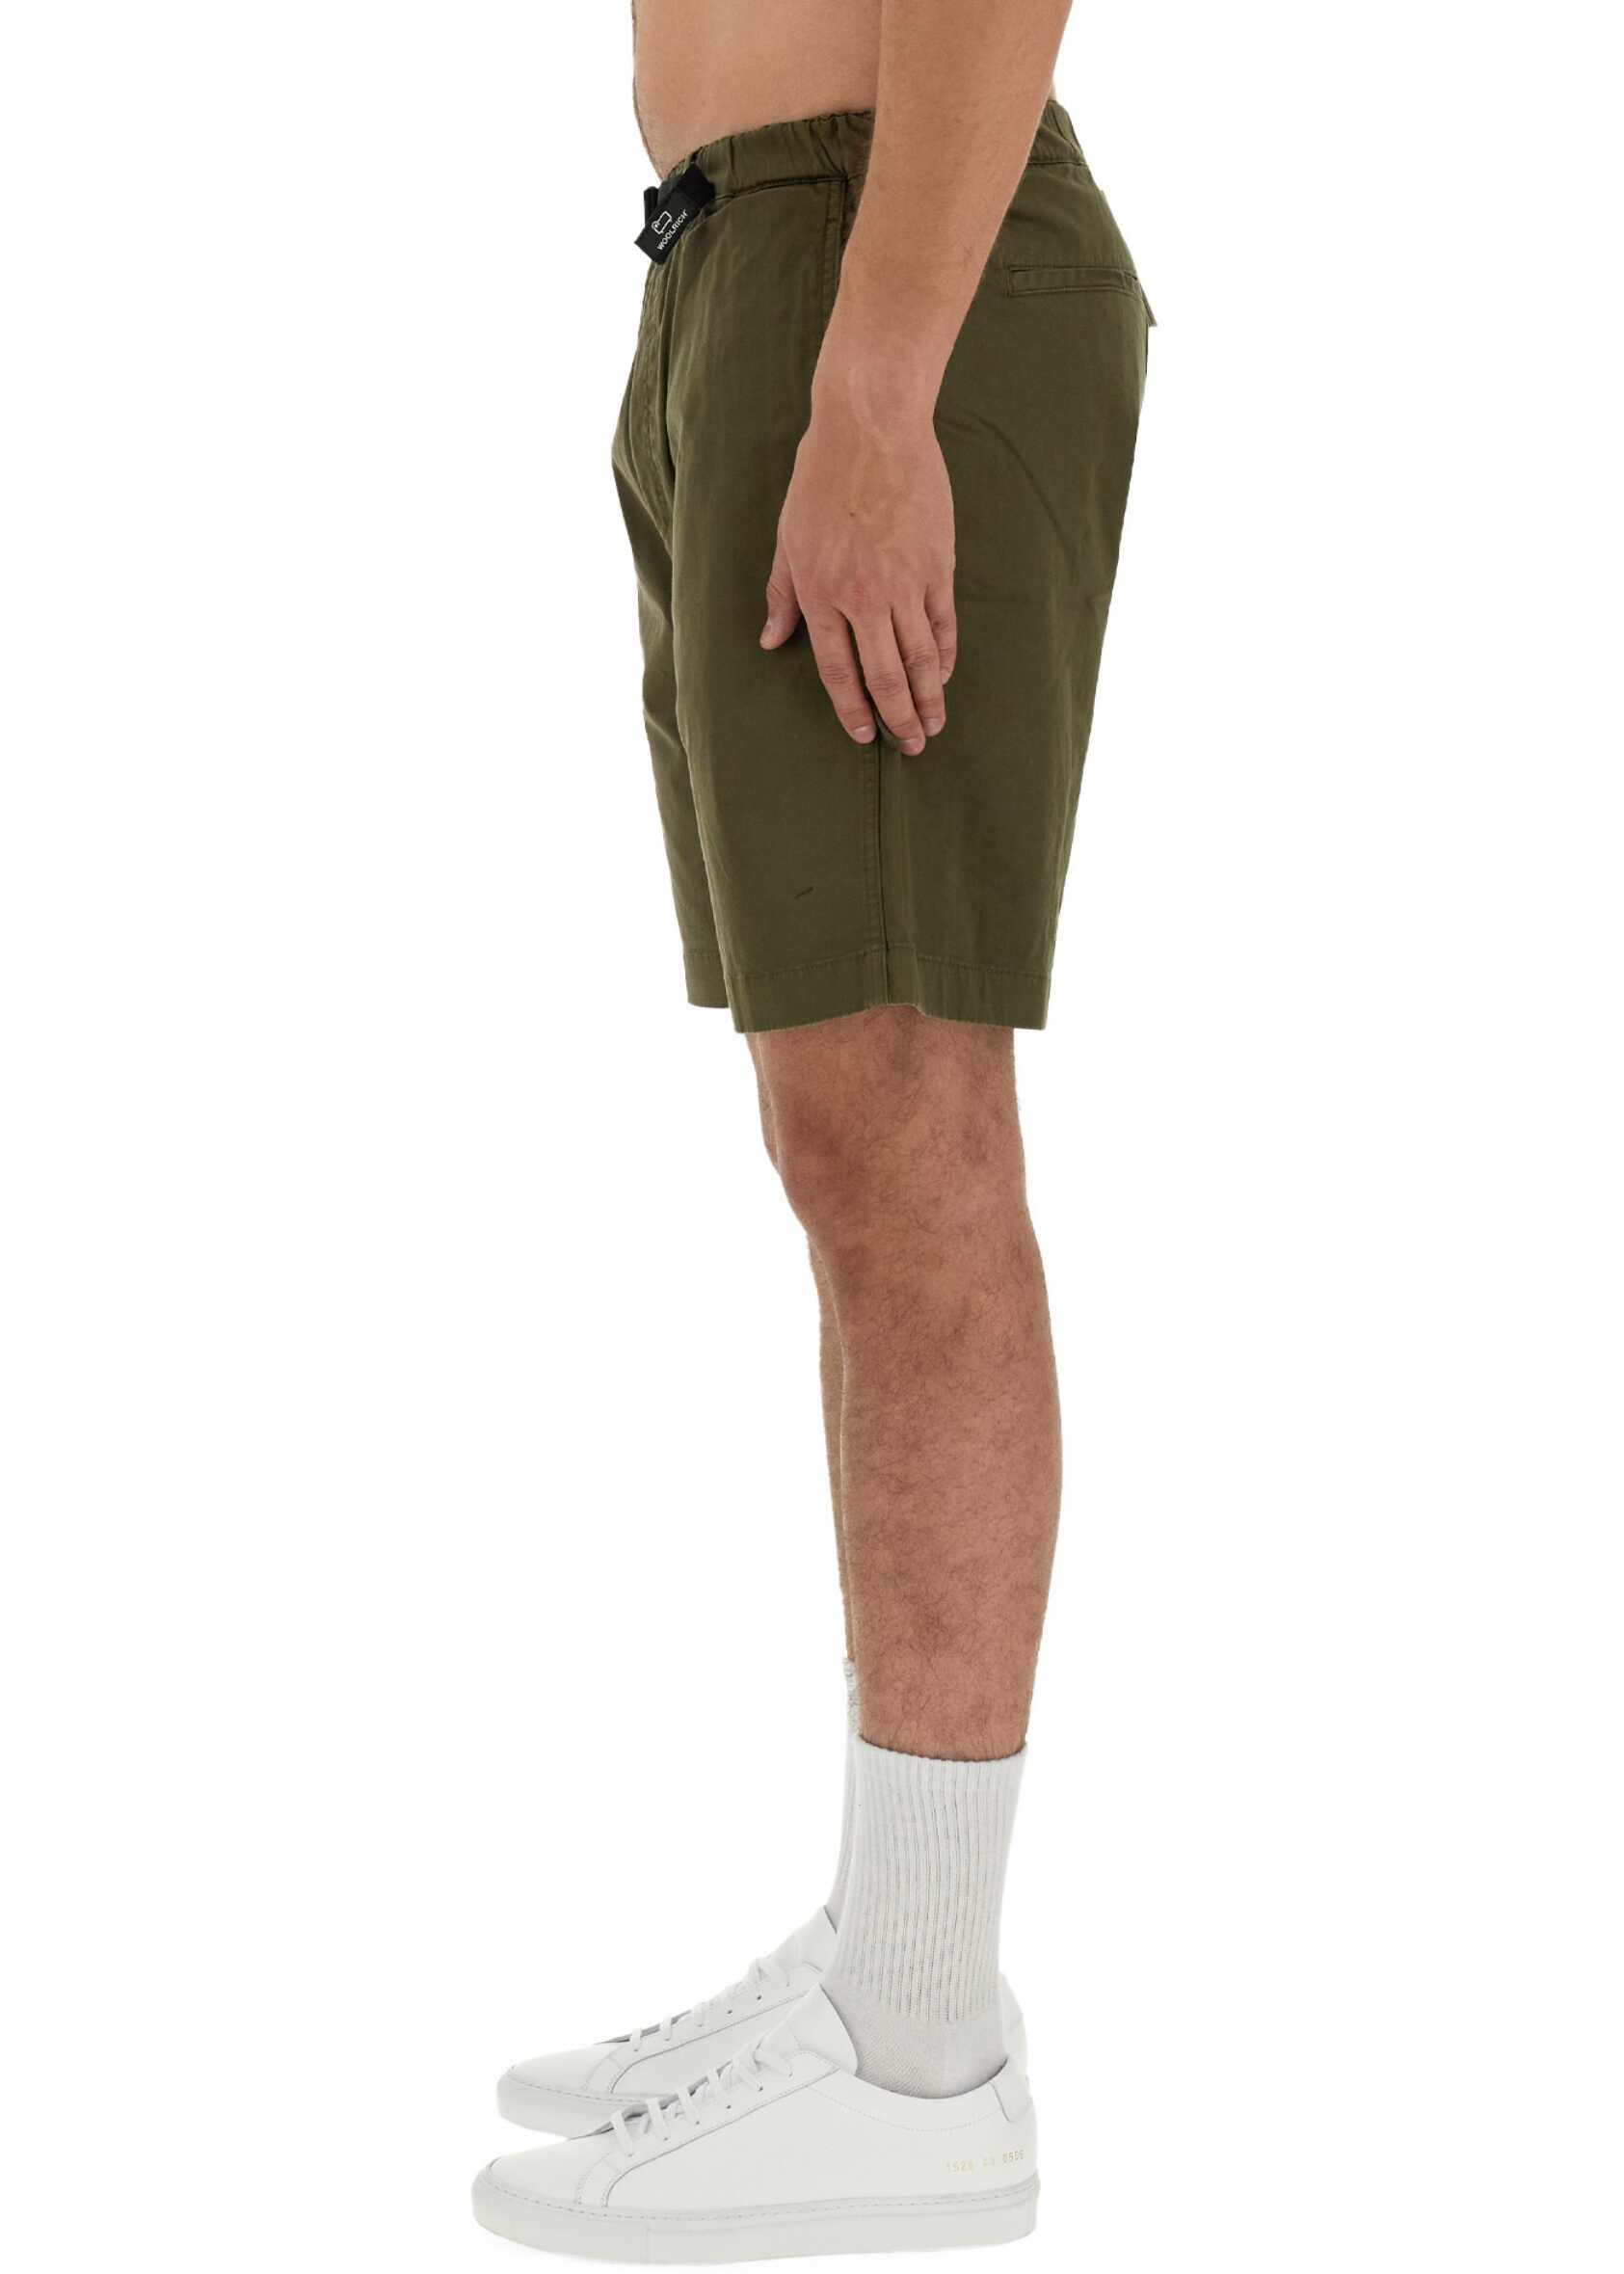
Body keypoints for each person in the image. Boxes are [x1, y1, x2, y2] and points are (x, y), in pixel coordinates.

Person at [473, 0, 1149, 2255]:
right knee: (842, 1139)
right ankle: (884, 1948)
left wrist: (874, 381)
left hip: (882, 262)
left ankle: (924, 2048)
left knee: (912, 1132)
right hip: (743, 257)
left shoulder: (878, 320)